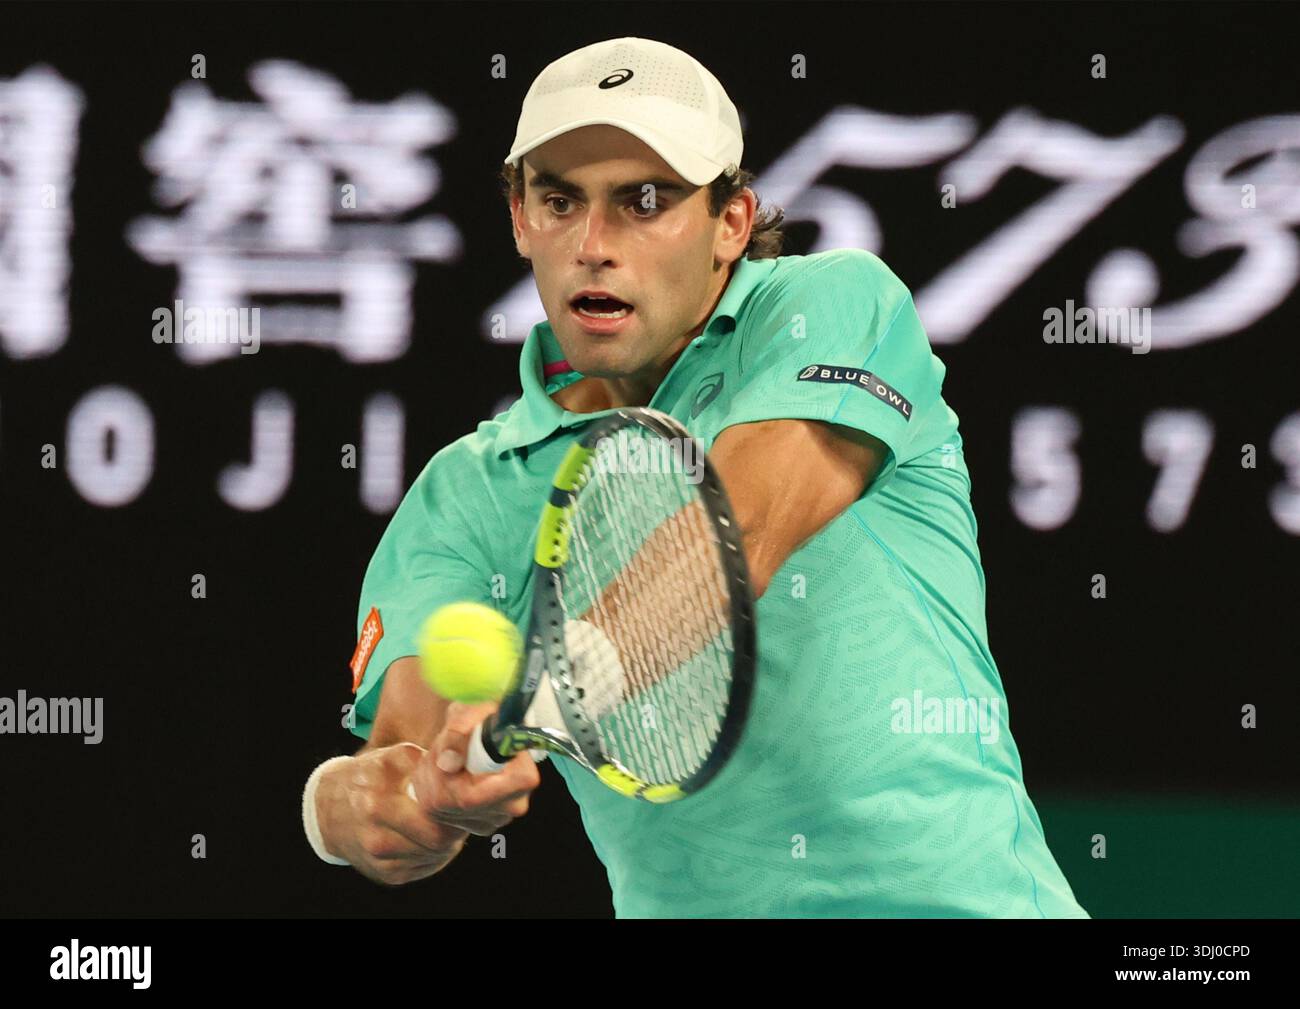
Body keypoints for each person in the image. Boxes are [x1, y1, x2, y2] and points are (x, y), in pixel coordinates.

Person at [302, 36, 1089, 918]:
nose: (594, 244)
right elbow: (408, 753)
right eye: (559, 201)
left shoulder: (831, 306)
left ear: (732, 223)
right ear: (520, 219)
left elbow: (732, 537)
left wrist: (558, 688)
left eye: (646, 201)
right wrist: (364, 803)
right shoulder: (467, 495)